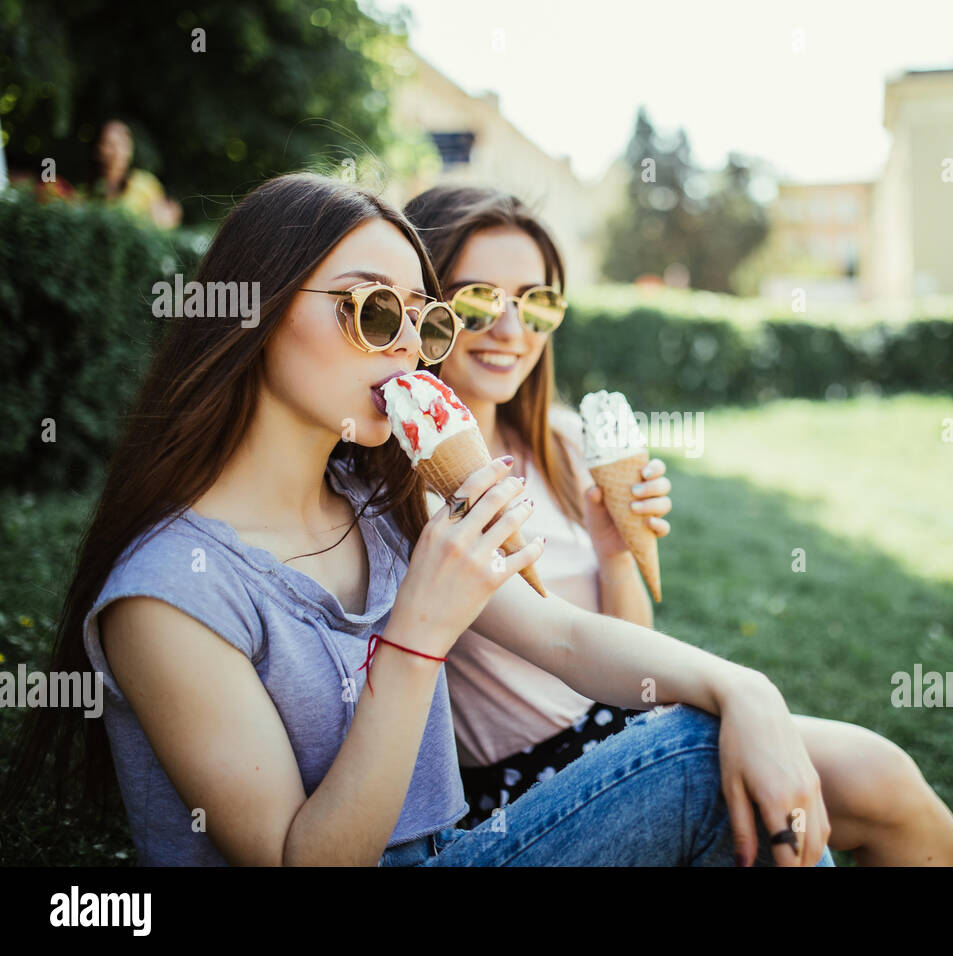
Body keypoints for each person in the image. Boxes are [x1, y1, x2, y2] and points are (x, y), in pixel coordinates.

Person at [1, 172, 839, 867]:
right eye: (371, 311)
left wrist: (747, 689)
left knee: (717, 745)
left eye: (421, 321)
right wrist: (414, 638)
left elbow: (562, 639)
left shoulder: (382, 506)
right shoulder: (169, 597)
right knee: (695, 762)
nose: (405, 345)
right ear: (255, 311)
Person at [403, 185, 953, 866]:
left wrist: (616, 551)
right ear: (426, 307)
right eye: (478, 299)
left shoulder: (563, 440)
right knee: (771, 822)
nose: (511, 328)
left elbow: (624, 649)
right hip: (529, 783)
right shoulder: (411, 481)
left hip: (619, 718)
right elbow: (559, 640)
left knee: (881, 774)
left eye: (537, 301)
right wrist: (737, 689)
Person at [91, 119, 181, 229]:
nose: (118, 151)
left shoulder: (145, 185)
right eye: (110, 144)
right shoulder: (88, 193)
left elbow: (163, 223)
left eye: (123, 144)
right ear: (98, 149)